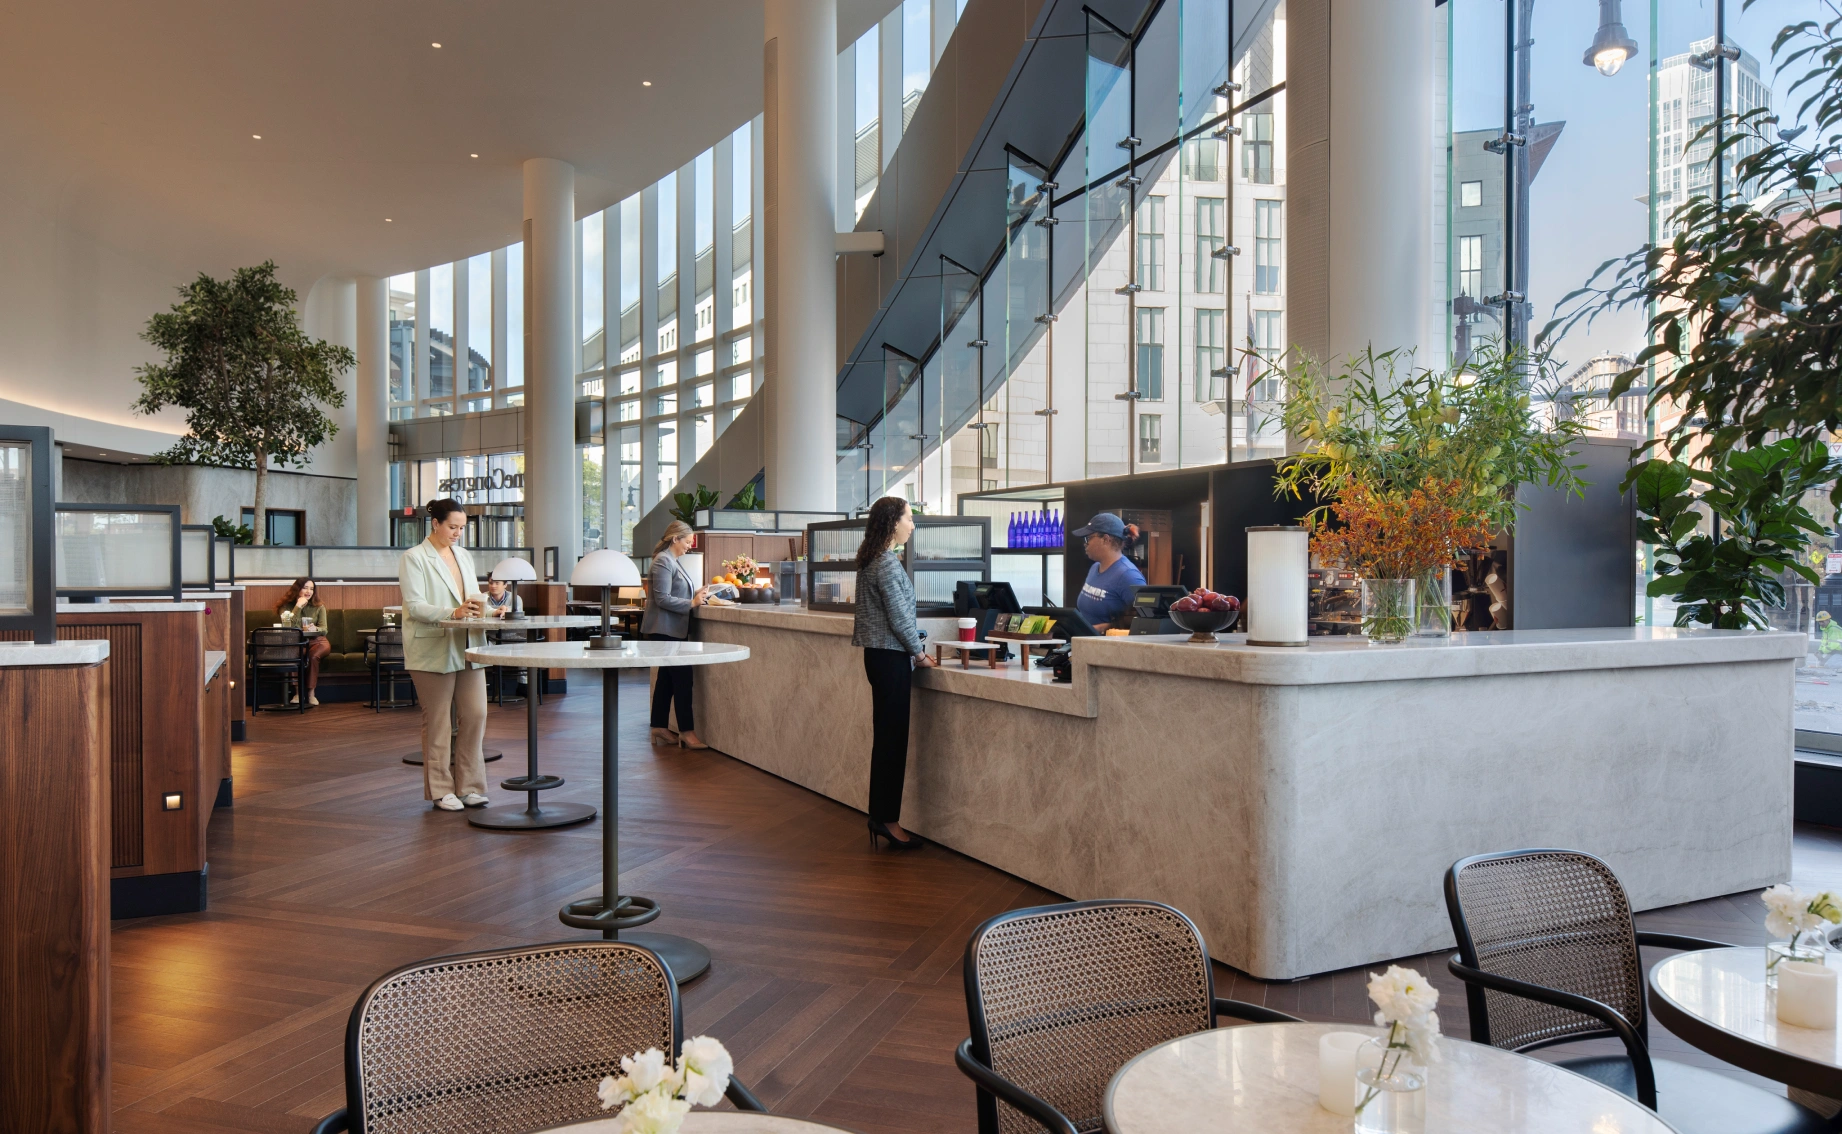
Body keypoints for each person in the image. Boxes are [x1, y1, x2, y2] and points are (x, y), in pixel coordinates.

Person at [851, 496, 937, 851]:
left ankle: (881, 816)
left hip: (881, 656)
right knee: (892, 740)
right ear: (892, 523)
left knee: (887, 738)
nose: (912, 526)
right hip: (890, 658)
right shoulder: (885, 563)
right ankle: (887, 820)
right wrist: (918, 654)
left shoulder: (873, 559)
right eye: (909, 518)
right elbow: (900, 617)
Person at [398, 499, 491, 812]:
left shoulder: (463, 555)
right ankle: (441, 790)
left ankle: (470, 786)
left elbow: (472, 598)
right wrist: (454, 611)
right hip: (433, 646)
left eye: (462, 528)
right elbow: (415, 606)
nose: (458, 533)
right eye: (453, 527)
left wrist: (488, 609)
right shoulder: (414, 558)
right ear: (434, 523)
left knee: (476, 714)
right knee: (438, 721)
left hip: (468, 643)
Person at [642, 519, 713, 749]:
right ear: (675, 538)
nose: (689, 546)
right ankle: (687, 732)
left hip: (672, 630)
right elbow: (662, 598)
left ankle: (659, 726)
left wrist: (697, 594)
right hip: (665, 630)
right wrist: (692, 602)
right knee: (683, 679)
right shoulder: (663, 561)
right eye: (688, 541)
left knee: (667, 679)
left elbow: (675, 592)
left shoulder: (674, 561)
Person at [1071, 512, 1145, 632]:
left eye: (1088, 538)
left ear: (1106, 539)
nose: (1085, 543)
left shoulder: (1129, 576)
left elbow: (1145, 622)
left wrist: (1107, 628)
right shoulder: (1095, 568)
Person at [276, 577, 330, 706]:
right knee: (295, 654)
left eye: (311, 589)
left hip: (318, 640)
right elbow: (289, 627)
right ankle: (298, 693)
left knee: (313, 656)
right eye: (305, 587)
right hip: (297, 641)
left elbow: (324, 629)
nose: (309, 591)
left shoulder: (319, 606)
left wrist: (315, 628)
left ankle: (311, 693)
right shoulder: (286, 607)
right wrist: (298, 606)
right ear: (297, 589)